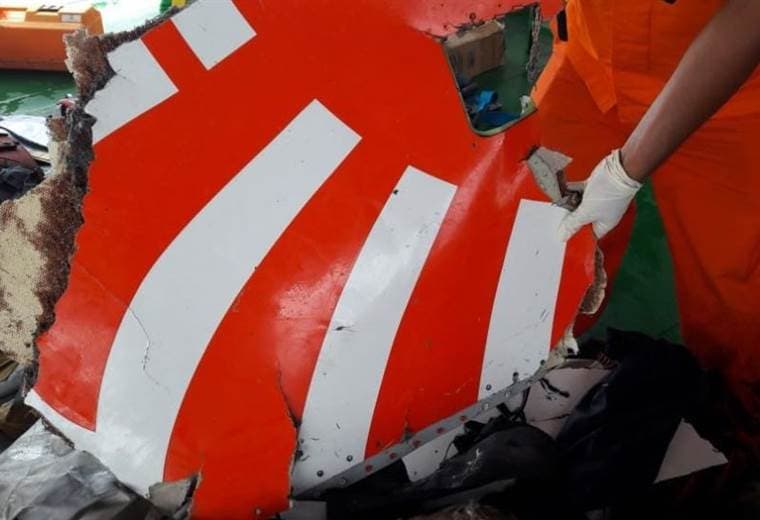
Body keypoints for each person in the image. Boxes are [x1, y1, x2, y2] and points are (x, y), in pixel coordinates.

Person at [534, 0, 760, 414]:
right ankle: (531, 390)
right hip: (590, 63)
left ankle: (735, 429)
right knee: (536, 253)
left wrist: (624, 173)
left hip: (733, 92)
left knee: (736, 307)